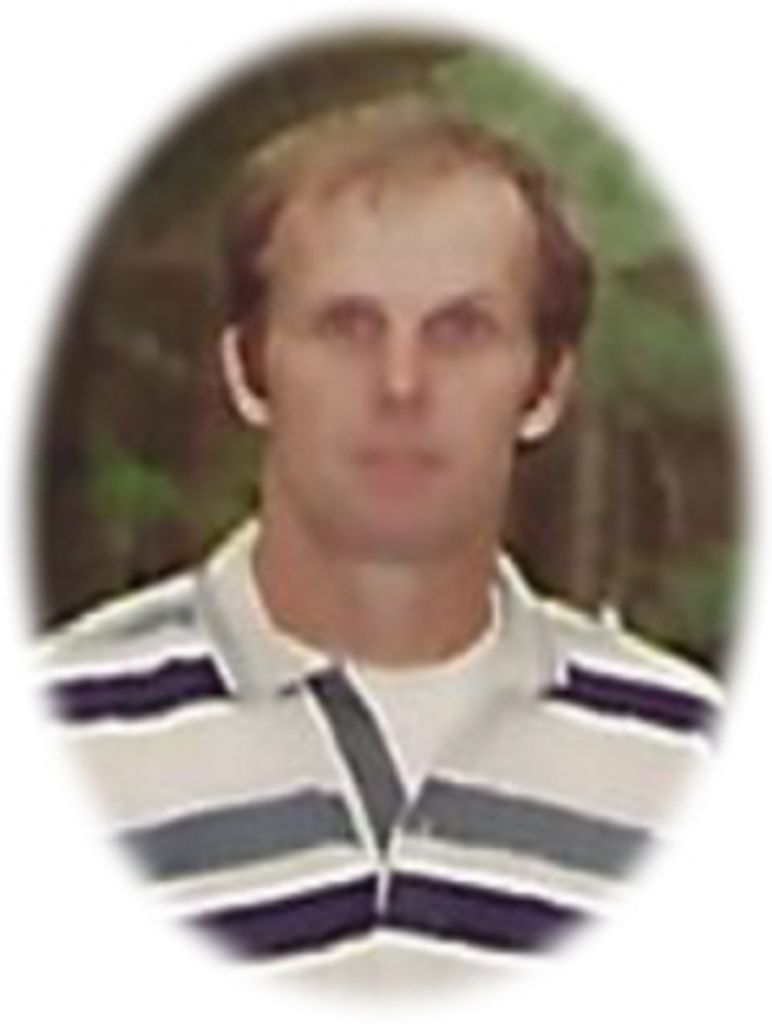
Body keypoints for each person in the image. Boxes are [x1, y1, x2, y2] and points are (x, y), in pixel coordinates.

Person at [39, 97, 720, 984]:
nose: (401, 384)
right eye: (347, 326)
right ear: (247, 369)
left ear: (547, 385)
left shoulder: (691, 766)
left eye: (461, 330)